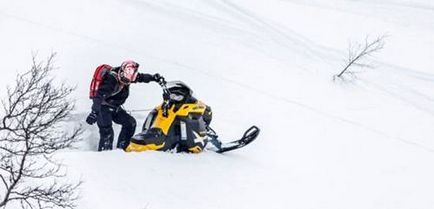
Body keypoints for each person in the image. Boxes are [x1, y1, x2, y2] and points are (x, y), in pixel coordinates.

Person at [86, 60, 164, 151]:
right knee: (107, 133)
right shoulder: (111, 80)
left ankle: (122, 150)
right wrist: (94, 112)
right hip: (102, 108)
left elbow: (141, 77)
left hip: (115, 107)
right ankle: (104, 156)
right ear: (122, 73)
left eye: (128, 81)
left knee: (130, 123)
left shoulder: (129, 75)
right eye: (125, 80)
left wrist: (154, 78)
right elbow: (99, 97)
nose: (126, 82)